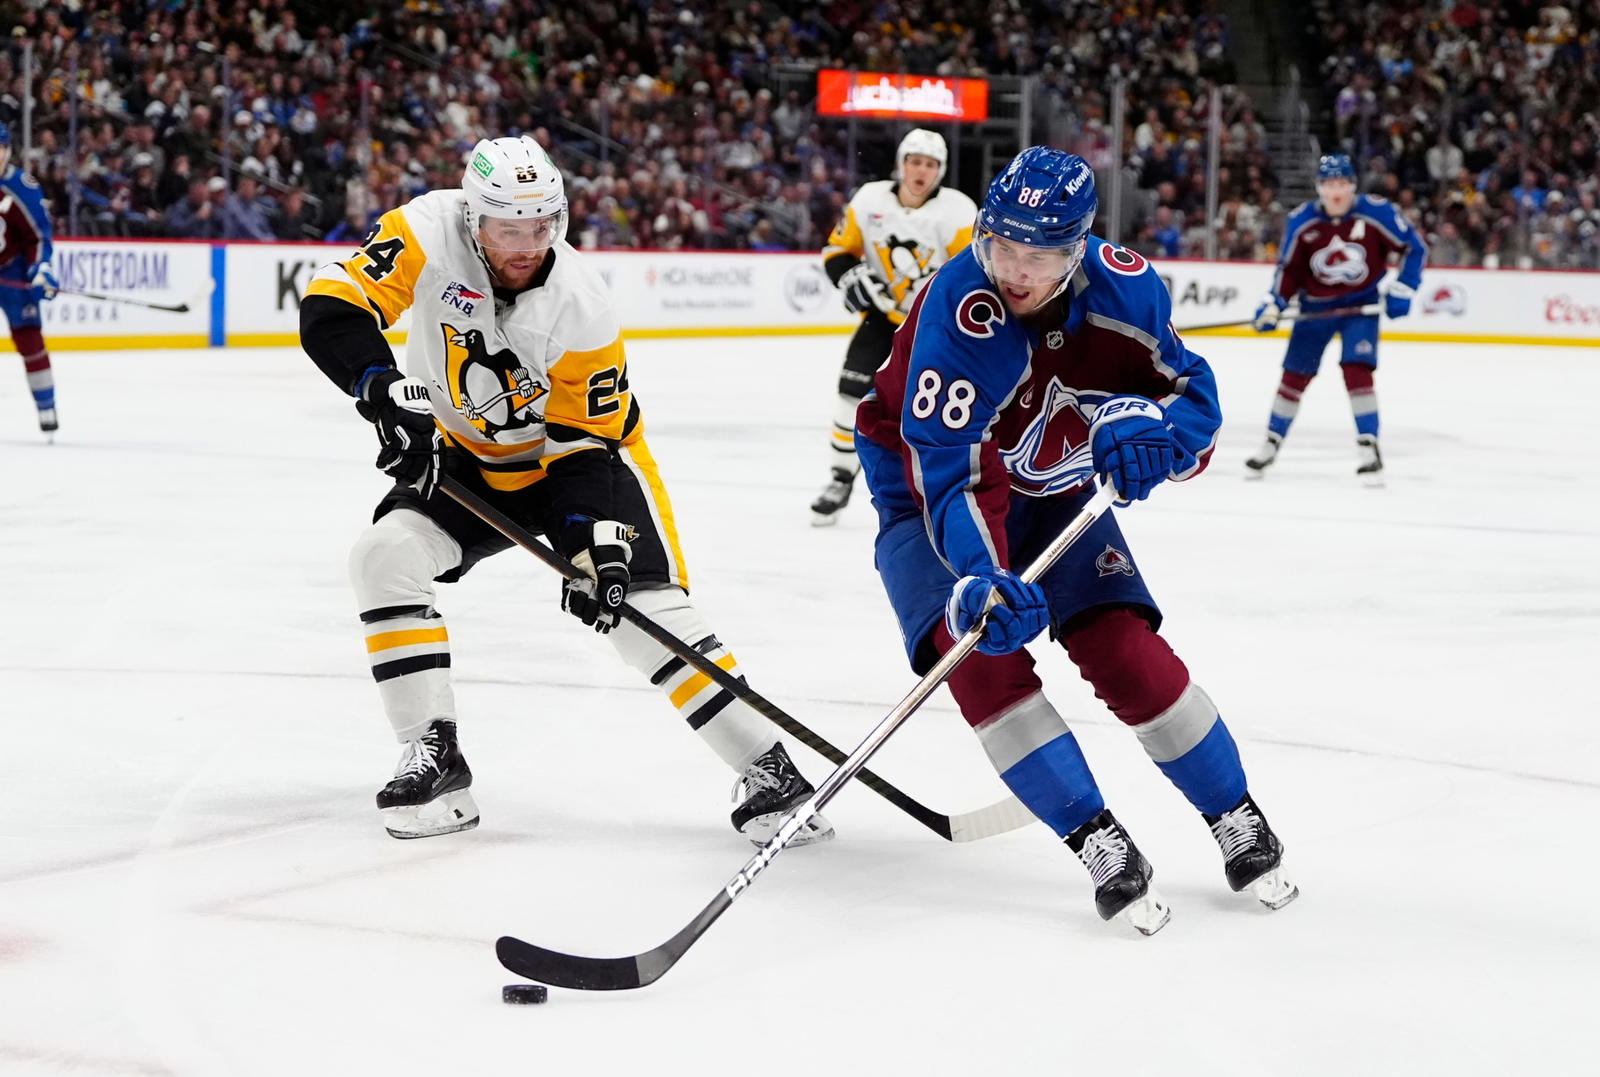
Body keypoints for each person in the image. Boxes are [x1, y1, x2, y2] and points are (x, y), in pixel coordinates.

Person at [299, 135, 833, 846]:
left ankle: (769, 767)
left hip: (575, 460)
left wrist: (592, 540)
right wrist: (381, 390)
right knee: (383, 557)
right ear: (473, 220)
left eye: (540, 225)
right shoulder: (425, 230)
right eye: (508, 228)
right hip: (463, 455)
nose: (527, 244)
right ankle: (435, 753)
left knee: (640, 609)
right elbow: (331, 305)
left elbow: (583, 444)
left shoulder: (581, 302)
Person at [855, 147, 1297, 934]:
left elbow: (1194, 400)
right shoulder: (958, 312)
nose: (1015, 272)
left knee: (1125, 648)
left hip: (1053, 487)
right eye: (1002, 247)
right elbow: (947, 480)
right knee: (981, 653)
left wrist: (1156, 435)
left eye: (1040, 255)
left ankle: (1235, 812)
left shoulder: (1126, 289)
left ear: (1080, 248)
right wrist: (981, 577)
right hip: (927, 490)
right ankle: (1095, 836)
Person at [811, 129, 976, 525]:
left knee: (932, 410)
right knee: (850, 394)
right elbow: (837, 250)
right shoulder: (870, 199)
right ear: (901, 164)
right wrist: (849, 275)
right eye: (915, 161)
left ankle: (935, 488)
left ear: (941, 171)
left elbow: (975, 274)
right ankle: (839, 477)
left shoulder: (957, 212)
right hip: (883, 321)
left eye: (931, 164)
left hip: (937, 328)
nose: (921, 171)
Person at [1245, 154, 1428, 483]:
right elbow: (1289, 270)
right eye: (1330, 185)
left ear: (1353, 186)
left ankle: (1368, 446)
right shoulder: (1302, 221)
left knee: (1357, 371)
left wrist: (1404, 286)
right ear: (1319, 188)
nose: (1336, 191)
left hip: (1360, 306)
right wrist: (1274, 301)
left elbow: (1414, 248)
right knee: (1294, 376)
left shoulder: (1377, 212)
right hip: (1316, 308)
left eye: (1342, 184)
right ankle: (1271, 443)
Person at [0, 121, 60, 438]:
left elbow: (38, 237)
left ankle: (46, 405)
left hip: (12, 270)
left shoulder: (22, 186)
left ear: (7, 151)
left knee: (28, 337)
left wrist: (42, 270)